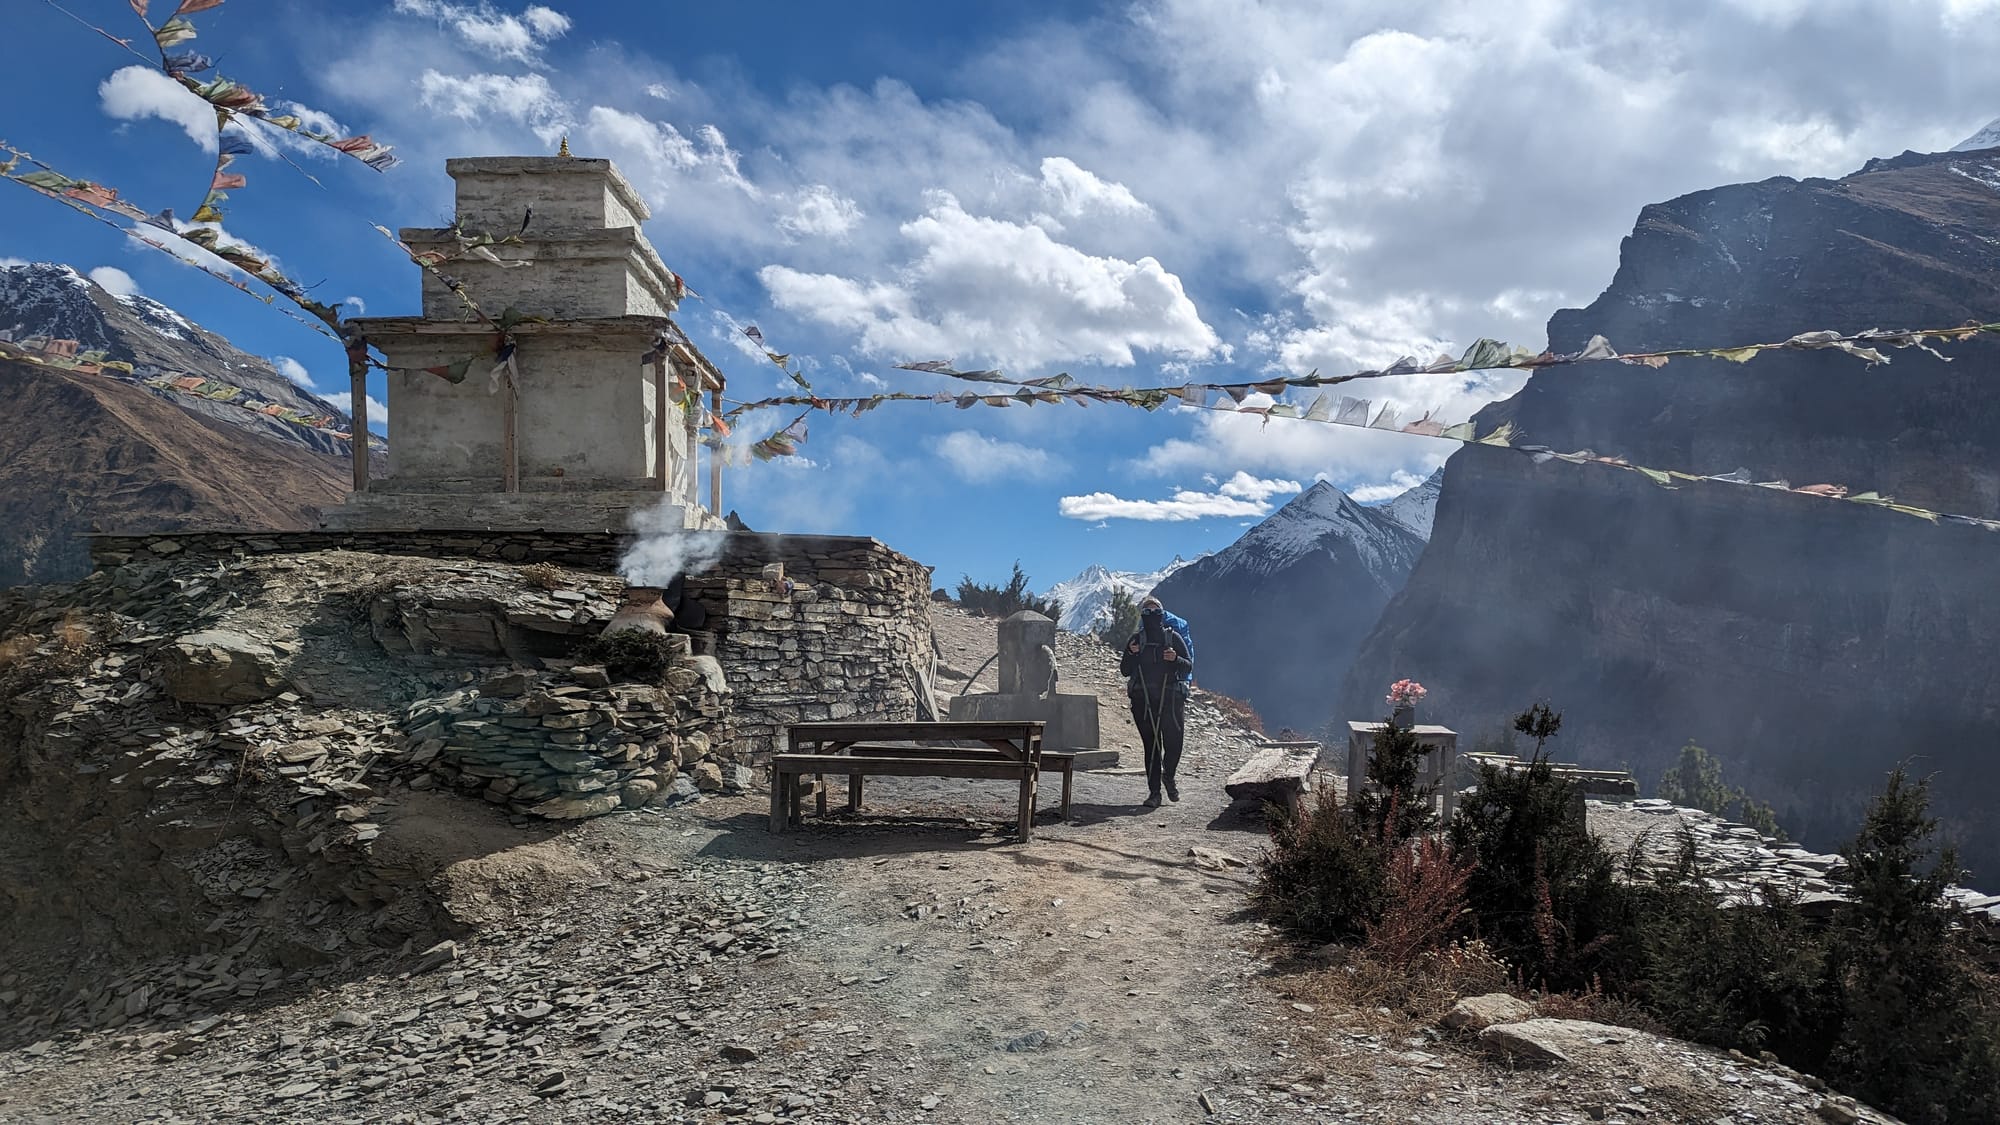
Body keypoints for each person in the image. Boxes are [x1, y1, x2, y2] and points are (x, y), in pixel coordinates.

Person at [1121, 596, 1193, 807]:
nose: (1151, 616)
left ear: (1162, 615)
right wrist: (1131, 653)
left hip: (1170, 700)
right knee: (1152, 747)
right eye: (1147, 612)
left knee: (1174, 744)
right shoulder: (1136, 641)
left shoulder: (1173, 638)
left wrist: (1175, 659)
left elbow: (1187, 666)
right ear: (1142, 615)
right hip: (1143, 701)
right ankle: (1154, 793)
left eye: (1155, 612)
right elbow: (1125, 670)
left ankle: (1168, 776)